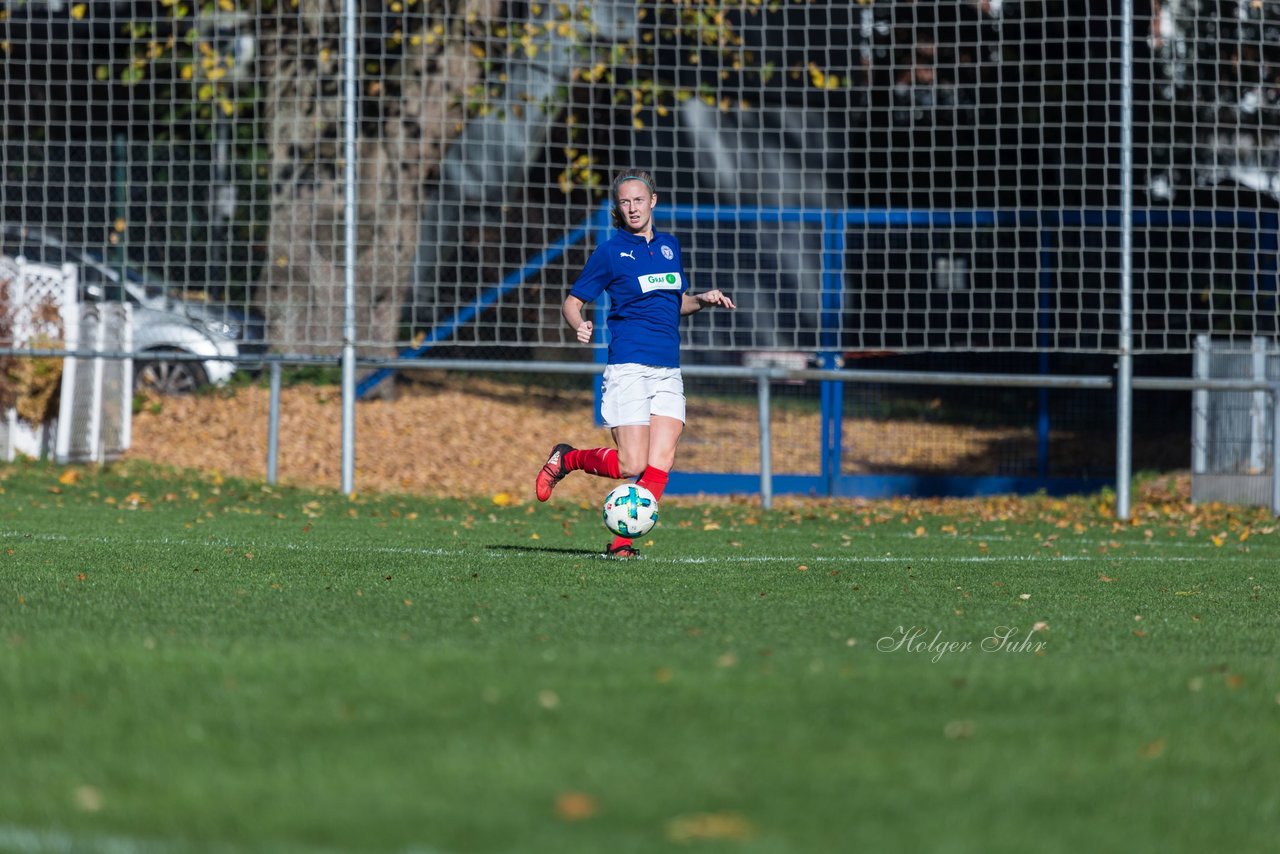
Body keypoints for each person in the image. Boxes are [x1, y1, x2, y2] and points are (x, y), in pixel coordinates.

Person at [534, 169, 736, 558]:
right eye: (625, 202)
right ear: (618, 208)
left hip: (668, 368)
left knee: (662, 460)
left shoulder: (669, 247)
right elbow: (572, 302)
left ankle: (621, 544)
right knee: (631, 464)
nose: (632, 208)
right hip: (629, 364)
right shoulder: (611, 252)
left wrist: (703, 299)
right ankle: (567, 458)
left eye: (638, 200)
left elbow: (676, 303)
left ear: (653, 201)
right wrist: (580, 324)